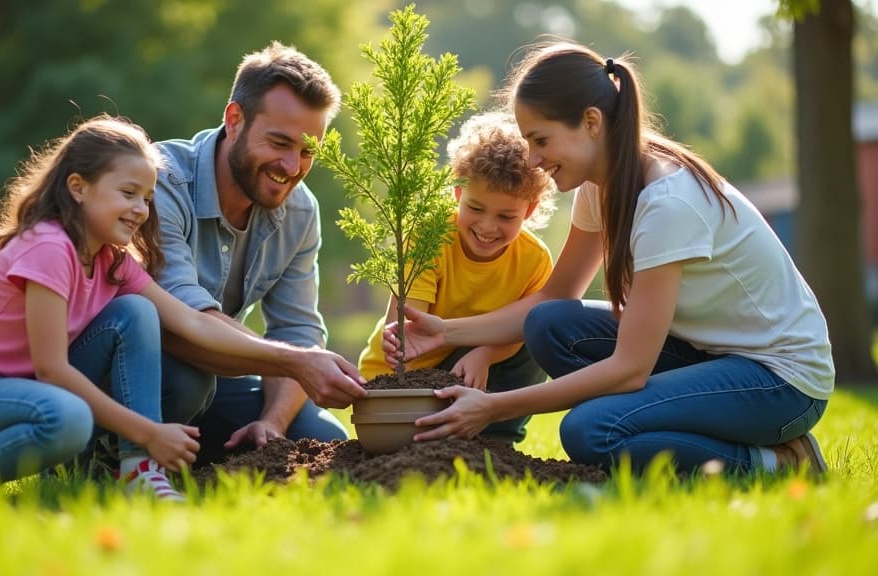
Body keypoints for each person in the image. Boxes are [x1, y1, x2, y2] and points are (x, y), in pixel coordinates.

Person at [384, 41, 834, 476]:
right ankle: (686, 426)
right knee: (550, 324)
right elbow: (553, 298)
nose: (534, 160)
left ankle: (780, 461)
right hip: (707, 355)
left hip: (780, 382)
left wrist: (495, 407)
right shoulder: (598, 188)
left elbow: (630, 369)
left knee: (591, 430)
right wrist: (445, 331)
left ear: (592, 122)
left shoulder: (668, 202)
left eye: (541, 140)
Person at [0, 115, 362, 502]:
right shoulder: (50, 247)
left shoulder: (114, 261)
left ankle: (137, 470)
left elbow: (189, 321)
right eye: (128, 193)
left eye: (147, 198)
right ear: (78, 188)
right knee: (67, 418)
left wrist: (302, 359)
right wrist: (149, 432)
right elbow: (52, 370)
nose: (141, 210)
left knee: (136, 313)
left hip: (27, 394)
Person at [154, 42, 366, 463]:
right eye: (279, 143)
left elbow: (298, 329)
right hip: (144, 364)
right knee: (185, 383)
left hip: (220, 373)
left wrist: (273, 421)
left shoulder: (300, 210)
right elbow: (180, 325)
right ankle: (105, 458)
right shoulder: (159, 181)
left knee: (317, 436)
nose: (291, 167)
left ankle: (205, 457)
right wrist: (297, 362)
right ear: (235, 120)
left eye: (307, 151)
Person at [357, 111, 556, 443]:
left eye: (506, 216)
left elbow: (520, 329)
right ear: (458, 194)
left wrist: (486, 354)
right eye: (476, 209)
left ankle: (496, 440)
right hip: (405, 375)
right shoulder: (430, 236)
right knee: (409, 441)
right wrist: (403, 349)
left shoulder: (534, 259)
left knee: (540, 332)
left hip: (472, 366)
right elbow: (405, 328)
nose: (488, 227)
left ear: (530, 211)